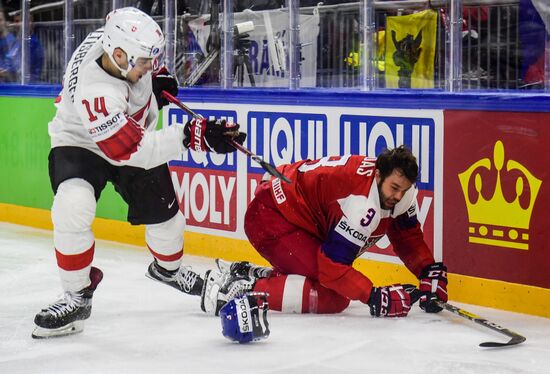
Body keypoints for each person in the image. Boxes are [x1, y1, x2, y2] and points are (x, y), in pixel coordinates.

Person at [33, 7, 245, 339]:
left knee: (169, 223)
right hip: (81, 143)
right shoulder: (96, 90)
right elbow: (129, 150)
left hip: (127, 132)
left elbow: (141, 75)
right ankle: (76, 295)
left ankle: (168, 270)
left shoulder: (117, 49)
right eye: (145, 62)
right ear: (118, 55)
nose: (150, 66)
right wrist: (193, 136)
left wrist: (155, 84)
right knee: (73, 205)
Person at [201, 146, 448, 318]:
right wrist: (374, 297)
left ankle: (255, 273)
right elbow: (332, 270)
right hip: (270, 218)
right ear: (378, 174)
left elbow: (407, 237)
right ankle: (242, 287)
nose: (398, 196)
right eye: (394, 188)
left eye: (404, 190)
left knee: (329, 284)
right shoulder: (361, 203)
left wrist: (427, 270)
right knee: (333, 297)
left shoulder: (395, 192)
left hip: (295, 215)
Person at [0, 8, 17, 82]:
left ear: (6, 23)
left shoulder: (12, 41)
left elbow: (10, 70)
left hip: (7, 86)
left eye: (0, 20)